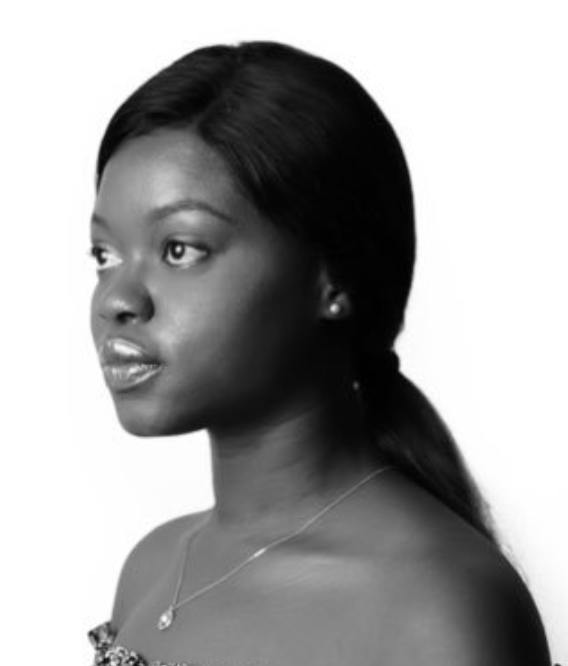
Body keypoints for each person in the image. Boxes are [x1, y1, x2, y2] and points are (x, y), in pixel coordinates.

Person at [87, 41, 555, 665]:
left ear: (333, 279)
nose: (117, 299)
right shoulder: (153, 567)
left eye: (180, 249)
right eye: (105, 255)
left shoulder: (438, 606)